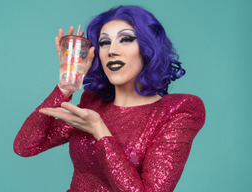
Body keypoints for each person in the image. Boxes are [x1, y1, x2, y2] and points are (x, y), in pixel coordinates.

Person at [14, 5, 205, 192]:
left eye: (126, 39)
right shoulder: (92, 104)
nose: (112, 50)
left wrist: (100, 131)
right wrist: (66, 85)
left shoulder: (176, 111)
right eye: (104, 42)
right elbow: (25, 146)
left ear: (148, 49)